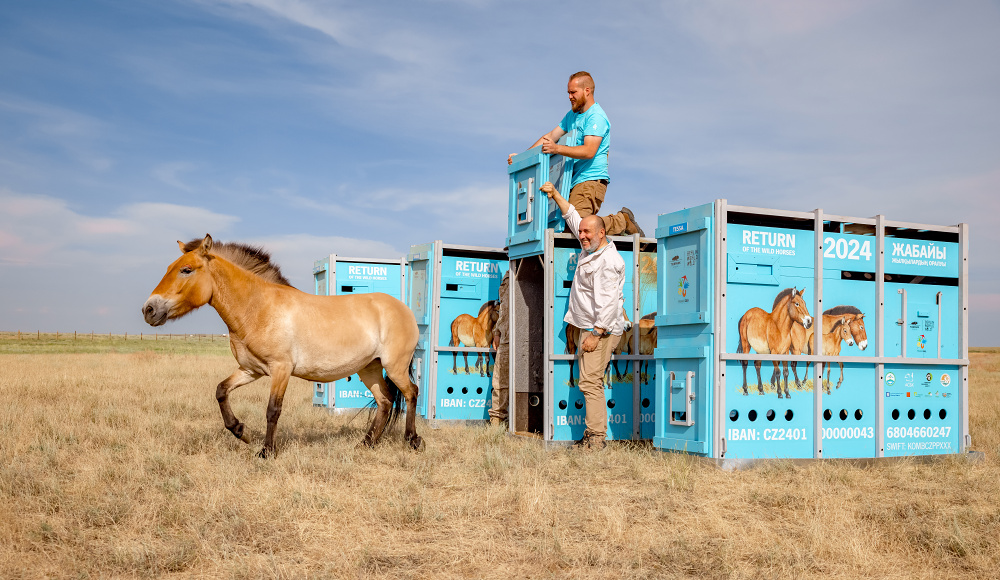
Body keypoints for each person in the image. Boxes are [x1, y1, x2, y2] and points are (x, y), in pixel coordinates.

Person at [541, 181, 626, 450]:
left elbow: (609, 304)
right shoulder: (591, 245)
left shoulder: (607, 262)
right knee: (589, 380)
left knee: (590, 382)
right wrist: (555, 194)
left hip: (599, 330)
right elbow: (573, 215)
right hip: (587, 326)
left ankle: (596, 439)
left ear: (603, 233)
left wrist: (596, 333)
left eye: (588, 233)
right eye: (581, 233)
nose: (583, 236)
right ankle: (593, 436)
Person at [508, 71, 644, 237]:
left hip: (590, 181)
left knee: (579, 226)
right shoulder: (572, 116)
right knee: (566, 226)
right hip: (571, 181)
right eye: (568, 93)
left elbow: (589, 151)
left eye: (573, 92)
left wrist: (556, 149)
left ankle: (622, 221)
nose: (570, 97)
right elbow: (550, 137)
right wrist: (522, 158)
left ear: (587, 90)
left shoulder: (596, 117)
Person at [489, 270, 510, 427]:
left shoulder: (531, 266)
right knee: (499, 380)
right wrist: (497, 332)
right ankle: (497, 422)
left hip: (528, 338)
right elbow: (503, 308)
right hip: (505, 336)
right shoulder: (508, 275)